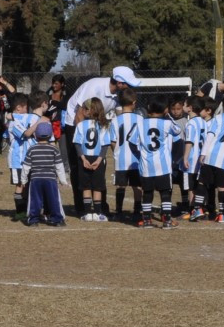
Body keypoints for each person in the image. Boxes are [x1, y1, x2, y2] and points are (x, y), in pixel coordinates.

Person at [63, 65, 139, 214]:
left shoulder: (119, 95)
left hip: (96, 125)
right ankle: (81, 206)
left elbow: (121, 116)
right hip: (76, 124)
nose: (130, 87)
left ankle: (101, 205)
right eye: (128, 84)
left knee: (100, 164)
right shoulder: (94, 87)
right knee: (78, 165)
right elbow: (79, 114)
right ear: (119, 83)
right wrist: (83, 142)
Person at [133, 100, 179, 228]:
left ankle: (147, 220)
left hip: (146, 165)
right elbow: (178, 130)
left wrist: (139, 154)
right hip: (162, 165)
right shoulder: (166, 123)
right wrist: (169, 116)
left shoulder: (140, 124)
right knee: (165, 192)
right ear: (165, 110)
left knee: (147, 193)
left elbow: (131, 141)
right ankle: (167, 220)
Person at [71, 97, 110, 220]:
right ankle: (98, 213)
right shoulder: (103, 125)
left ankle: (88, 213)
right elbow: (105, 146)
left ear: (89, 110)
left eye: (84, 108)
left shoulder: (80, 125)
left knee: (86, 186)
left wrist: (83, 159)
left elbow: (77, 144)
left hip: (85, 158)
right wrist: (99, 160)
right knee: (97, 187)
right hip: (98, 159)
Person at [22, 121, 67, 226]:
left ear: (36, 135)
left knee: (35, 200)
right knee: (54, 199)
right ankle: (57, 219)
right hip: (50, 179)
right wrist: (63, 180)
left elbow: (26, 166)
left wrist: (23, 179)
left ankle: (33, 220)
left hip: (35, 179)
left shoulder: (32, 149)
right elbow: (59, 166)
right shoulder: (54, 149)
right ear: (50, 135)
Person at [108, 89, 142, 222]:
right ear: (134, 102)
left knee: (120, 186)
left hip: (121, 159)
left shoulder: (115, 120)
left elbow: (113, 141)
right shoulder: (140, 119)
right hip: (136, 159)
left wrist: (116, 151)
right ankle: (137, 211)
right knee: (137, 186)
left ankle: (119, 211)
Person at [5, 94, 40, 218]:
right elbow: (26, 133)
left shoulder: (17, 118)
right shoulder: (13, 123)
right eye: (25, 108)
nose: (27, 111)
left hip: (27, 158)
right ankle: (20, 212)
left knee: (28, 184)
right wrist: (39, 121)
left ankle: (29, 210)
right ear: (19, 108)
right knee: (20, 185)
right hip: (18, 160)